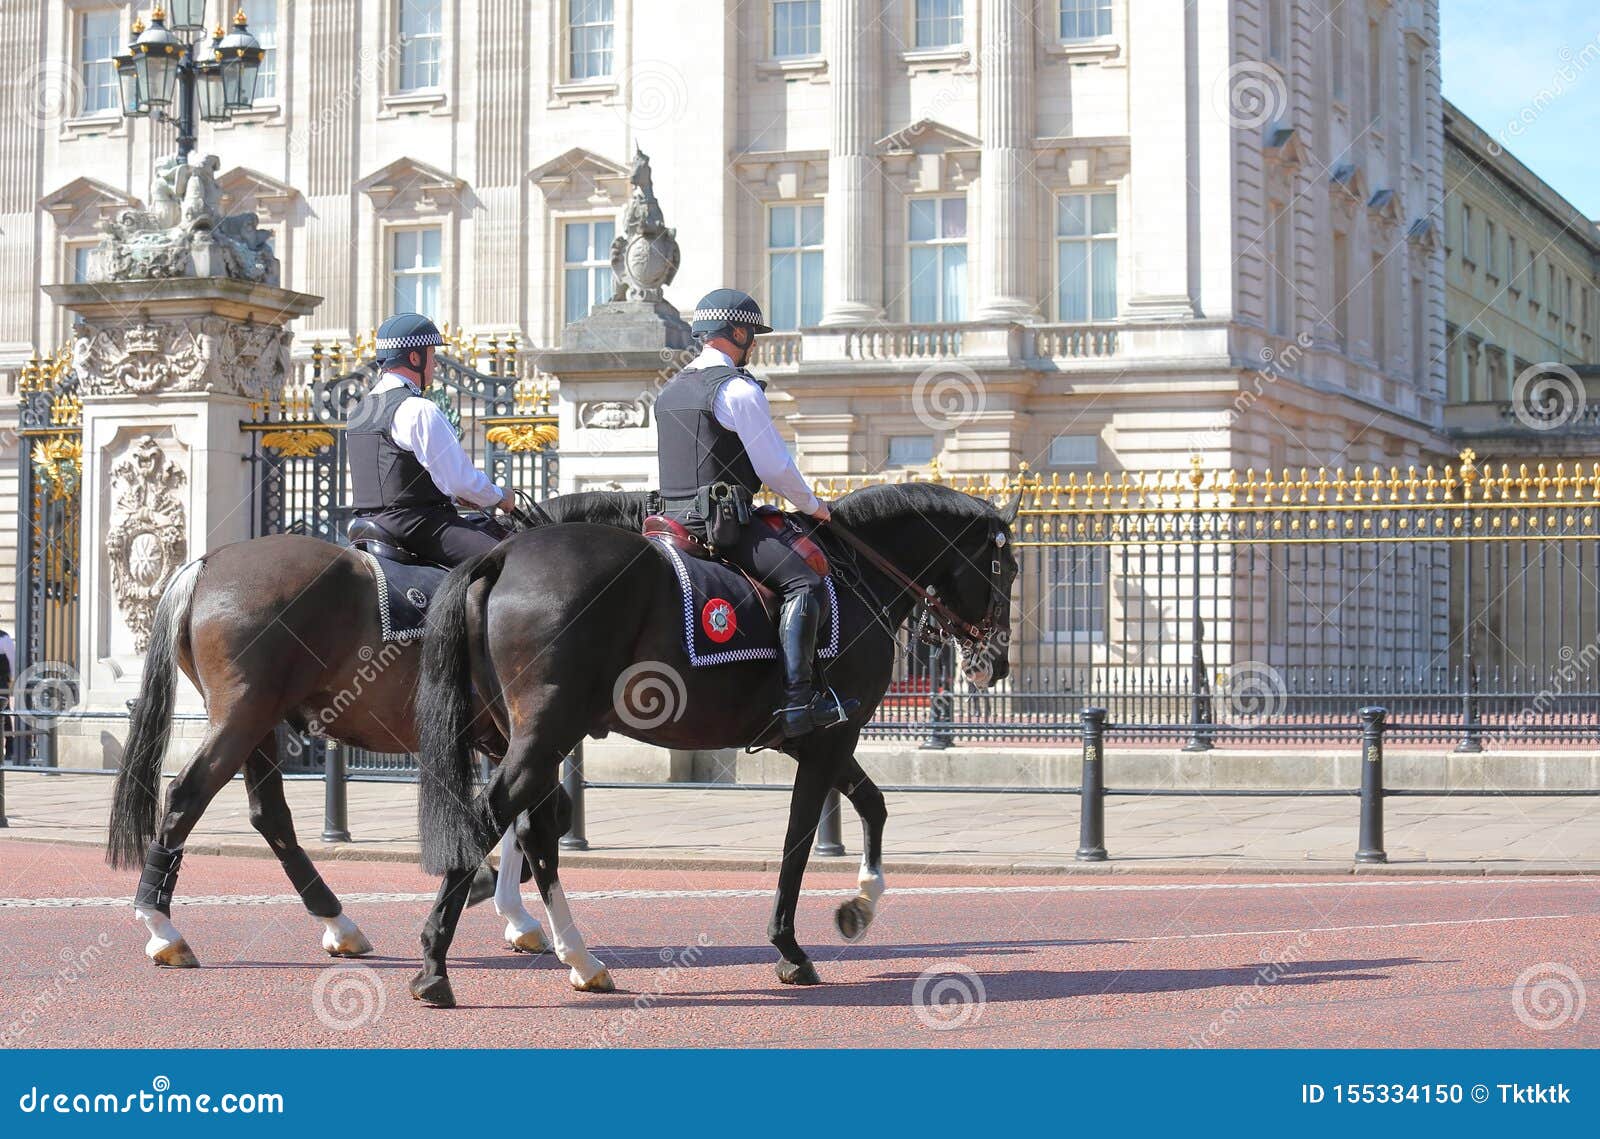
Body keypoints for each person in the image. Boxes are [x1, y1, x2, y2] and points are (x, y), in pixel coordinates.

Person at [655, 288, 849, 738]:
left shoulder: (670, 391)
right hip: (721, 526)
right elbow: (775, 468)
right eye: (752, 335)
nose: (755, 344)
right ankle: (798, 702)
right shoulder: (736, 389)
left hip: (669, 521)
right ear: (736, 332)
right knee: (805, 580)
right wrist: (815, 508)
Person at [345, 313, 518, 566]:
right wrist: (500, 496)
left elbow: (394, 476)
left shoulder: (359, 412)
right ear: (414, 358)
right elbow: (461, 481)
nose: (435, 365)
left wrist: (451, 496)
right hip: (419, 528)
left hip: (367, 525)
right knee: (513, 559)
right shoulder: (417, 408)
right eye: (432, 356)